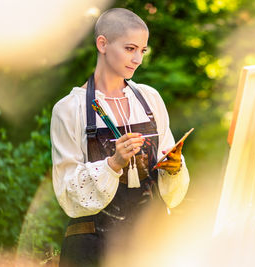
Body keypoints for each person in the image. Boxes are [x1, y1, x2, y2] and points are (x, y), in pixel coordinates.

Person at [50, 8, 190, 267]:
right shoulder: (70, 109)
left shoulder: (150, 99)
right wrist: (113, 164)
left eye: (142, 50)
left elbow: (170, 184)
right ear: (102, 44)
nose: (137, 59)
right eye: (129, 48)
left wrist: (173, 167)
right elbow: (68, 193)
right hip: (93, 251)